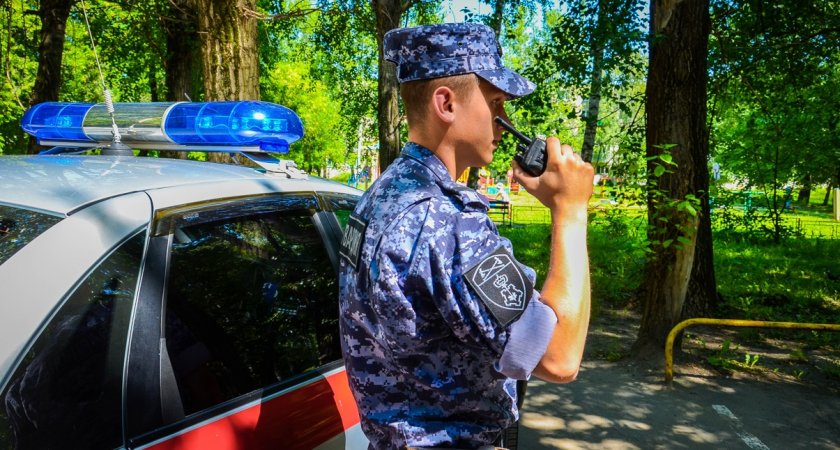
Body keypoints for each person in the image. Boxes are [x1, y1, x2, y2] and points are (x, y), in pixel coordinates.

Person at [338, 22, 593, 450]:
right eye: (496, 103)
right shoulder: (448, 221)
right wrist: (570, 210)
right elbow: (559, 356)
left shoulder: (380, 195)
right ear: (446, 103)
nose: (505, 122)